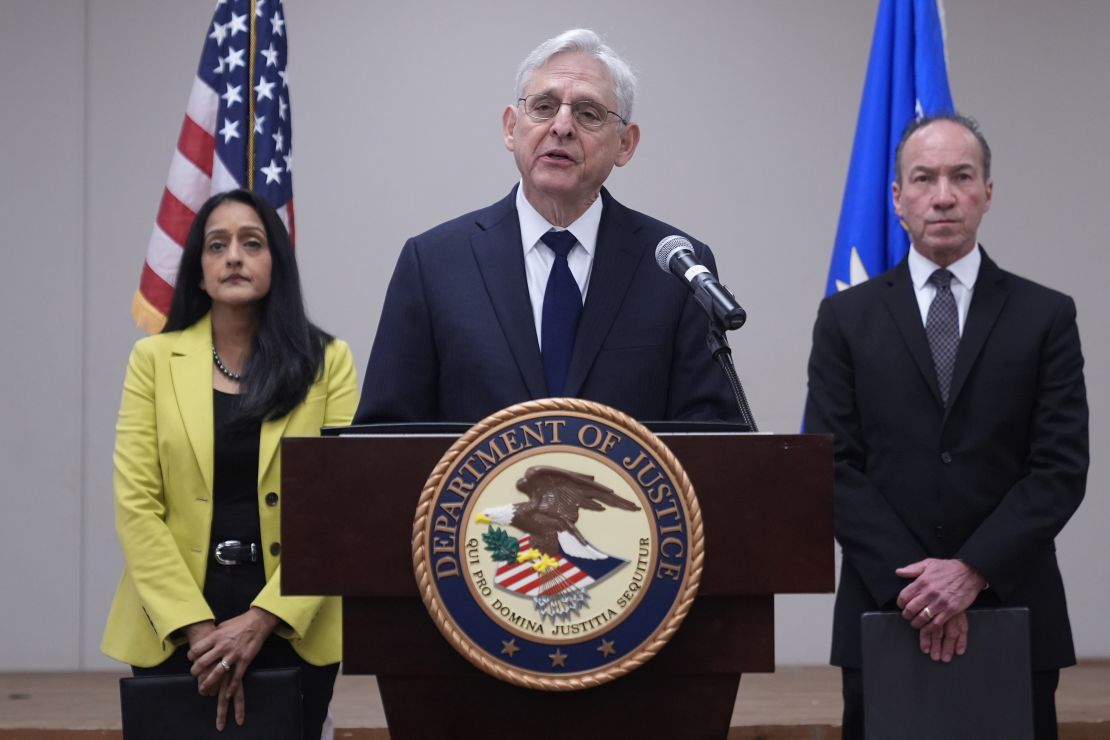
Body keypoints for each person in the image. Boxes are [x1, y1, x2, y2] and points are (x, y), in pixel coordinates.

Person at [804, 114, 1088, 739]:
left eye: (962, 176)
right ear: (897, 198)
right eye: (924, 178)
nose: (943, 195)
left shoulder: (1045, 316)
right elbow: (832, 464)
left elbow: (1060, 469)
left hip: (1015, 607)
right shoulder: (846, 318)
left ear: (988, 192)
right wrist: (923, 587)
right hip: (886, 608)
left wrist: (971, 570)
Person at [353, 28, 738, 424]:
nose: (562, 126)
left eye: (588, 113)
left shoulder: (676, 269)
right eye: (544, 107)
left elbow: (710, 441)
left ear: (625, 144)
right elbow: (383, 439)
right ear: (510, 127)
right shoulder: (433, 264)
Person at [101, 189, 358, 737]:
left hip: (290, 620)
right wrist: (198, 631)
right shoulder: (152, 361)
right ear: (199, 271)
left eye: (251, 243)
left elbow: (341, 508)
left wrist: (262, 619)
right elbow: (136, 505)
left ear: (276, 263)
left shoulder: (327, 362)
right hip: (173, 626)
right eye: (217, 246)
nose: (234, 256)